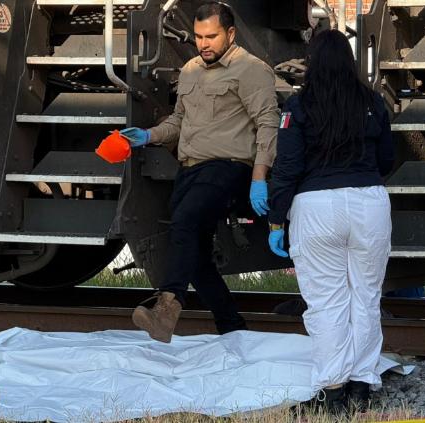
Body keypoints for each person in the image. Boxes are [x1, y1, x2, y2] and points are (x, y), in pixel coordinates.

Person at [120, 2, 279, 343]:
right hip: (191, 169)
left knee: (186, 222)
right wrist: (150, 135)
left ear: (230, 34)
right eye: (199, 36)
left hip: (229, 168)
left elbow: (268, 123)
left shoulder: (251, 70)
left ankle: (167, 306)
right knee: (194, 253)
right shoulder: (190, 69)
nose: (204, 43)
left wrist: (259, 177)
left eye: (212, 36)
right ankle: (232, 327)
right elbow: (179, 121)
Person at [268, 30, 394, 414]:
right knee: (366, 297)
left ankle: (332, 390)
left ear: (312, 62)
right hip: (369, 202)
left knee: (326, 303)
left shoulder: (298, 105)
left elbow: (287, 166)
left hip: (316, 206)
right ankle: (362, 386)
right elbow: (387, 160)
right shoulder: (373, 102)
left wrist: (276, 220)